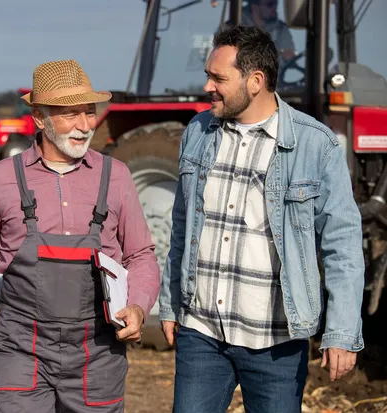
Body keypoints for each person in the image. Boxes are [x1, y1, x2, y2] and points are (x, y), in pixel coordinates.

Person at [0, 59, 160, 412]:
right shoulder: (1, 180)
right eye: (69, 115)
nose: (84, 126)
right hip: (22, 351)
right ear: (39, 118)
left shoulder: (117, 176)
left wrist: (138, 306)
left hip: (98, 354)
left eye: (89, 113)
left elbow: (141, 255)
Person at [159, 25, 364, 412]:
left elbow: (343, 242)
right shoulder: (198, 132)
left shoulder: (314, 144)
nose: (208, 87)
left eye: (218, 78)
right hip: (201, 333)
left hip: (276, 343)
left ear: (255, 81)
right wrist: (171, 304)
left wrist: (340, 331)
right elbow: (182, 228)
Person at [242, 0, 296, 65]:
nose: (274, 7)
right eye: (270, 5)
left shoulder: (281, 28)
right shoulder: (237, 28)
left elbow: (289, 58)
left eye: (276, 4)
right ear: (255, 8)